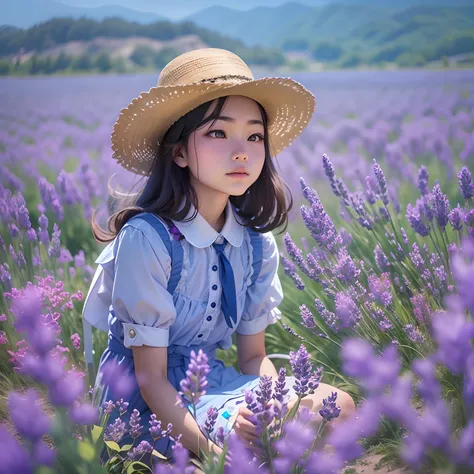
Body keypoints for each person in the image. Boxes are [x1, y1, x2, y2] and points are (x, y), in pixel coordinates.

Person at [82, 47, 355, 467]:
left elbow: (252, 357)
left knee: (337, 407)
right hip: (144, 405)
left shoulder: (255, 243)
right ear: (178, 152)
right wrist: (215, 457)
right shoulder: (148, 238)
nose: (242, 151)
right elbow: (151, 379)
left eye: (254, 136)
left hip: (210, 384)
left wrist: (275, 406)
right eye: (217, 133)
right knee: (248, 443)